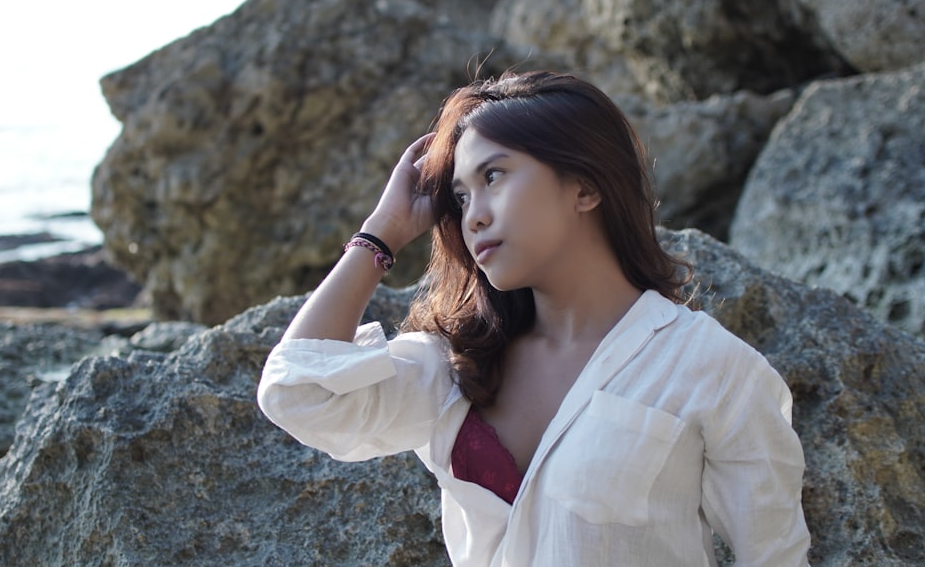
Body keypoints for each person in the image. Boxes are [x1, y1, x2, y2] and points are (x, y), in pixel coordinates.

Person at [258, 71, 810, 565]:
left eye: (493, 177)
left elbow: (776, 555)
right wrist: (382, 231)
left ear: (586, 187)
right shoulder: (459, 360)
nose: (472, 215)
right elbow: (298, 392)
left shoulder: (709, 367)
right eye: (459, 195)